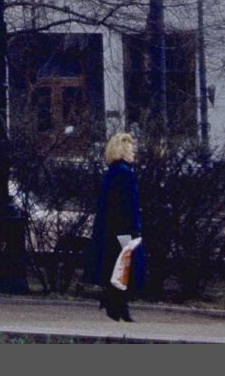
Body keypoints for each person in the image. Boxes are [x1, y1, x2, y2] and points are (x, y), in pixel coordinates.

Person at [85, 132, 144, 322]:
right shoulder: (126, 174)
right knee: (125, 268)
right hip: (124, 230)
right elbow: (127, 205)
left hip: (110, 230)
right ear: (124, 150)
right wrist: (133, 228)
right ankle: (118, 305)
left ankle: (115, 305)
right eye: (131, 149)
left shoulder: (112, 173)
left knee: (116, 268)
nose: (134, 153)